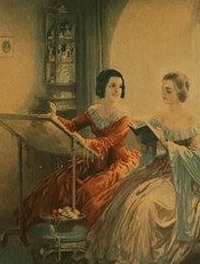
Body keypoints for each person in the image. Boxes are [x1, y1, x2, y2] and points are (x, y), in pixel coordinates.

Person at [86, 72, 200, 264]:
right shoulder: (159, 116)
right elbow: (151, 152)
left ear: (180, 91)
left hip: (180, 176)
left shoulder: (193, 120)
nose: (164, 94)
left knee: (149, 204)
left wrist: (168, 145)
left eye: (168, 90)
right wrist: (148, 142)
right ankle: (122, 257)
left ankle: (146, 262)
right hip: (159, 170)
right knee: (129, 196)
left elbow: (194, 156)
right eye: (163, 90)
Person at [19, 69, 139, 241]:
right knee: (62, 182)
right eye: (112, 85)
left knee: (90, 192)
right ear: (102, 87)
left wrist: (83, 142)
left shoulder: (124, 116)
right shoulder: (94, 111)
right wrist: (55, 118)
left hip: (116, 163)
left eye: (120, 86)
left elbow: (108, 142)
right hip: (93, 159)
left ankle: (85, 241)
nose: (117, 90)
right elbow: (72, 125)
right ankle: (60, 234)